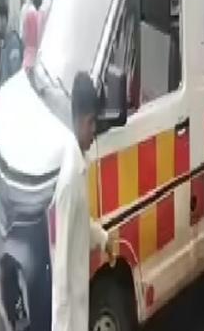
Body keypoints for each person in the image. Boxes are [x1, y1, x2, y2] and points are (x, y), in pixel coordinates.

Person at [50, 72, 114, 331]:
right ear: (79, 120)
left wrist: (103, 239)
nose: (94, 131)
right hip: (69, 318)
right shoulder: (69, 179)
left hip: (78, 305)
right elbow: (61, 265)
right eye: (91, 123)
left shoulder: (78, 163)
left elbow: (80, 224)